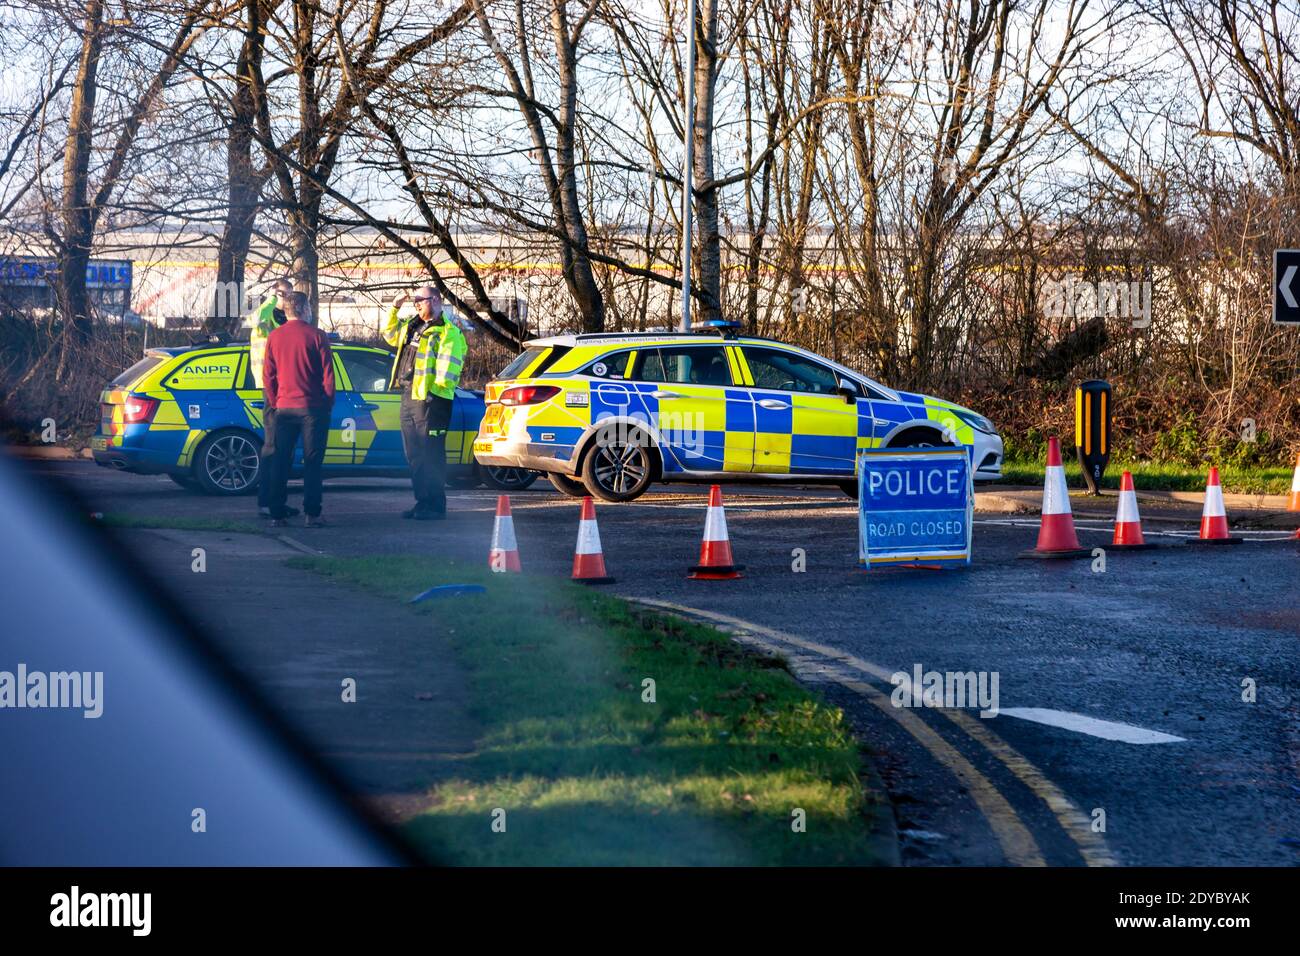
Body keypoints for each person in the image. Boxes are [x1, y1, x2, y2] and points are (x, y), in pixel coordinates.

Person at [383, 284, 467, 520]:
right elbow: (389, 335)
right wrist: (394, 307)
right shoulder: (414, 325)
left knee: (432, 454)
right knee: (414, 454)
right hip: (410, 396)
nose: (417, 303)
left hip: (432, 400)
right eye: (415, 300)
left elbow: (448, 372)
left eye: (421, 299)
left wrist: (435, 394)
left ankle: (436, 505)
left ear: (437, 300)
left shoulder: (447, 331)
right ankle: (422, 502)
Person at [262, 291, 335, 528]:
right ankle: (312, 513)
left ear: (286, 311)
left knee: (280, 460)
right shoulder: (317, 336)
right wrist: (327, 403)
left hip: (284, 408)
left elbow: (268, 376)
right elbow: (327, 376)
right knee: (313, 461)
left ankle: (277, 512)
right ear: (304, 309)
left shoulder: (274, 336)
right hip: (312, 408)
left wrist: (275, 402)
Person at [247, 278, 295, 518]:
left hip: (288, 388)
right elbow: (253, 320)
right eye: (285, 295)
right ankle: (266, 502)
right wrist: (274, 297)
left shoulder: (285, 319)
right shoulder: (265, 319)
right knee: (272, 447)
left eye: (290, 295)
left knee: (283, 449)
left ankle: (278, 501)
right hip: (271, 387)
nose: (288, 299)